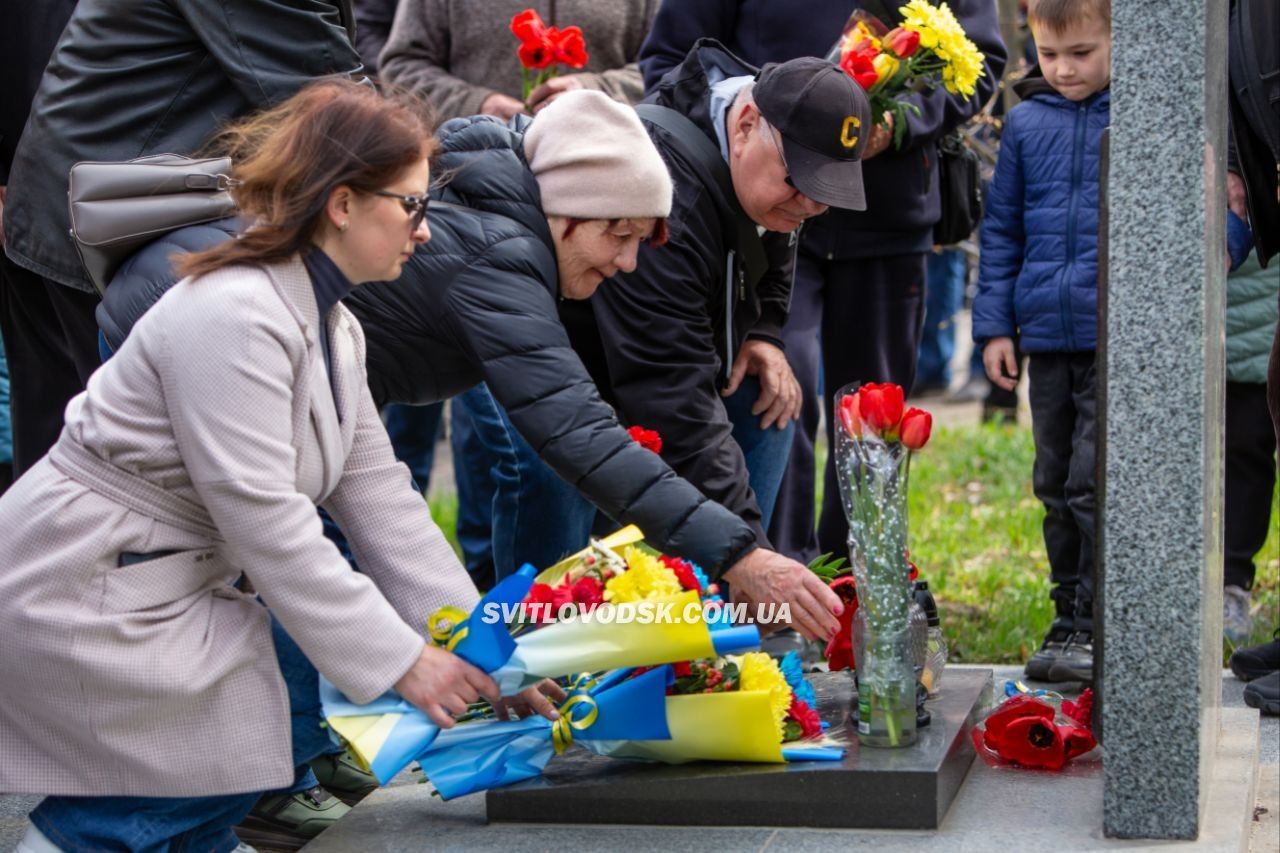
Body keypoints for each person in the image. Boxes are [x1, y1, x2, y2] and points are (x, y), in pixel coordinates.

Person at [1, 80, 557, 853]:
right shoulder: (237, 312)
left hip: (144, 579)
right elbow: (267, 518)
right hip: (88, 580)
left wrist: (482, 644)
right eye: (411, 206)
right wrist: (405, 662)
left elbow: (379, 499)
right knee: (150, 803)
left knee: (215, 776)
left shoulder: (331, 321)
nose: (424, 233)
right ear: (341, 203)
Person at [99, 90, 845, 642]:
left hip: (252, 363)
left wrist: (479, 654)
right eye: (618, 236)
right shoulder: (499, 257)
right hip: (180, 329)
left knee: (285, 563)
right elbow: (576, 432)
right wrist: (740, 553)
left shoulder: (493, 239)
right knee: (247, 573)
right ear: (568, 214)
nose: (624, 263)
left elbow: (382, 497)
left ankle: (286, 759)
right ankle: (282, 765)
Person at [638, 1, 1007, 564]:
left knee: (873, 414)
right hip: (762, 211)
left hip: (888, 214)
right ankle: (772, 576)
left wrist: (900, 120)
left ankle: (860, 587)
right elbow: (669, 57)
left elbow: (980, 59)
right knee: (778, 387)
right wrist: (764, 125)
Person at [0, 0, 366, 479]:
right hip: (113, 229)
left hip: (95, 207)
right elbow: (333, 105)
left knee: (69, 473)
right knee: (146, 484)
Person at [379, 0, 659, 585]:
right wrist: (482, 104)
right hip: (474, 214)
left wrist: (591, 91)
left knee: (548, 445)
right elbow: (400, 65)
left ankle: (517, 621)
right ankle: (499, 607)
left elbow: (656, 63)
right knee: (510, 451)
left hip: (594, 223)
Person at [972, 0, 1110, 684]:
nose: (1062, 69)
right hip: (1047, 338)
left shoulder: (1132, 118)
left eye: (1082, 53)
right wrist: (996, 326)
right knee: (1053, 482)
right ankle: (1065, 614)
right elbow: (1001, 233)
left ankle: (1097, 618)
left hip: (1112, 337)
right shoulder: (1025, 123)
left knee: (1092, 483)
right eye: (1050, 54)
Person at [380, 0, 656, 120]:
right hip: (475, 185)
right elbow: (402, 66)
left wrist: (596, 92)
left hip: (602, 183)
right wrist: (475, 104)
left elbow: (668, 68)